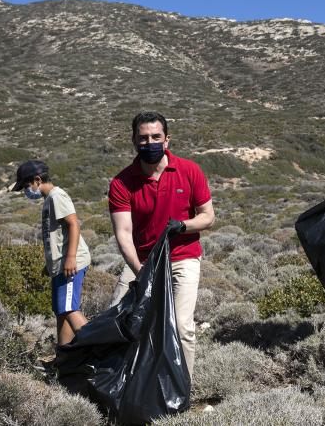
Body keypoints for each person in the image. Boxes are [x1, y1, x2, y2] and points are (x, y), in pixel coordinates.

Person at [108, 111, 215, 377]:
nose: (149, 143)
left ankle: (181, 390)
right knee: (116, 322)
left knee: (181, 327)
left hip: (183, 257)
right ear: (134, 140)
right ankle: (124, 385)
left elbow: (208, 216)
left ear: (167, 140)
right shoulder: (122, 182)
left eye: (156, 137)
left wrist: (183, 225)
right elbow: (123, 232)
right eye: (143, 138)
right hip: (143, 260)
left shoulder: (190, 171)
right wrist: (140, 269)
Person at [11, 160, 91, 346]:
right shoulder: (49, 200)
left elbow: (73, 224)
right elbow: (57, 236)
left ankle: (101, 350)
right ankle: (64, 358)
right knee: (61, 311)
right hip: (60, 266)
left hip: (72, 264)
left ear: (37, 180)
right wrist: (50, 264)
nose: (25, 191)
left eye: (25, 185)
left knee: (69, 309)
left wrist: (70, 258)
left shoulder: (56, 196)